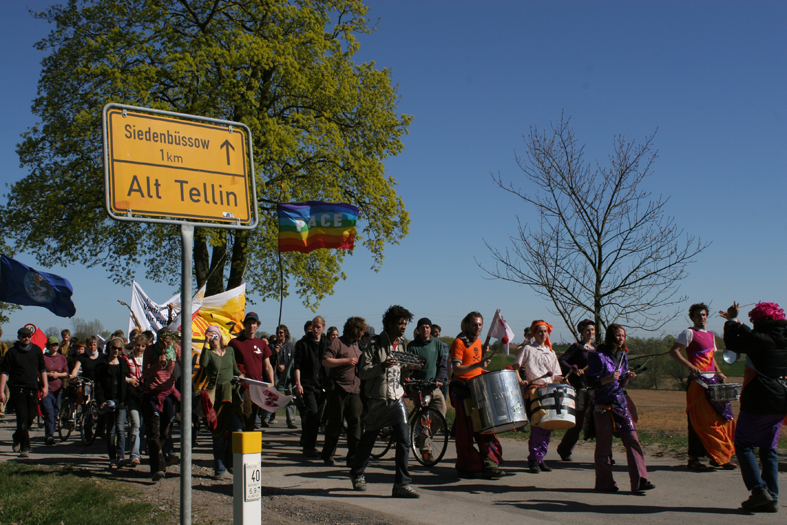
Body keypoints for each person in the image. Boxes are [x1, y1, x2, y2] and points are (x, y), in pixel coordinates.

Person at [722, 301, 787, 513]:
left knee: (743, 444)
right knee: (768, 448)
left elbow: (733, 342)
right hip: (781, 399)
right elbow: (750, 335)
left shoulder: (759, 339)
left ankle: (759, 491)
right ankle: (772, 497)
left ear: (758, 321)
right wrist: (736, 322)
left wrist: (732, 320)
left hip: (760, 398)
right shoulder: (782, 339)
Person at [350, 305, 420, 498]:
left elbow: (402, 371)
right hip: (378, 400)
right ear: (389, 324)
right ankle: (357, 473)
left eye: (405, 323)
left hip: (397, 397)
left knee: (404, 441)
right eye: (399, 323)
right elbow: (363, 372)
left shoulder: (403, 345)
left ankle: (401, 484)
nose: (403, 327)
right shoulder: (375, 344)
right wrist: (381, 366)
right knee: (369, 439)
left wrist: (410, 368)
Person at [587, 324, 654, 494]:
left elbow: (621, 383)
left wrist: (627, 378)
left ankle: (640, 480)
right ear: (610, 337)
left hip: (621, 404)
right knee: (604, 447)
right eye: (618, 335)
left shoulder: (623, 356)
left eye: (623, 336)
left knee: (633, 441)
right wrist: (608, 378)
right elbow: (590, 382)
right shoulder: (598, 356)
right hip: (603, 406)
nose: (621, 339)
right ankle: (605, 483)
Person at [669, 303, 736, 471]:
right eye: (698, 315)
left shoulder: (711, 336)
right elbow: (674, 351)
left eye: (704, 315)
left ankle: (717, 456)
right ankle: (694, 459)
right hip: (698, 383)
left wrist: (718, 372)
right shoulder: (689, 333)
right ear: (692, 317)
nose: (702, 318)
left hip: (713, 382)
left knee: (722, 418)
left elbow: (711, 358)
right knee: (699, 420)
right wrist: (690, 366)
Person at [450, 311, 506, 479]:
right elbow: (457, 370)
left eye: (480, 324)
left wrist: (485, 370)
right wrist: (478, 364)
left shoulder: (478, 342)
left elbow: (476, 367)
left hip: (478, 389)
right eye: (475, 324)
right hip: (462, 391)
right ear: (467, 325)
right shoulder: (459, 342)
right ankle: (467, 466)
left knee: (485, 428)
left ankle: (490, 464)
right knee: (465, 433)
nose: (478, 327)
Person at [515, 320, 565, 473]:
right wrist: (520, 380)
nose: (543, 334)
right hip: (534, 391)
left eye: (545, 331)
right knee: (537, 426)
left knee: (547, 426)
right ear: (534, 334)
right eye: (540, 332)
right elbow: (515, 367)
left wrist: (566, 379)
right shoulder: (528, 349)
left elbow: (555, 376)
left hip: (549, 391)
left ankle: (540, 457)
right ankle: (533, 459)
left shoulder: (551, 352)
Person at [200, 325, 244, 479]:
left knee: (237, 430)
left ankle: (230, 463)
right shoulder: (208, 353)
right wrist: (205, 344)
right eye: (209, 334)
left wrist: (241, 375)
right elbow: (203, 364)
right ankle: (219, 468)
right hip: (217, 397)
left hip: (232, 394)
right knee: (218, 434)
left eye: (214, 334)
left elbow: (234, 369)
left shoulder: (229, 351)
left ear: (219, 335)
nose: (213, 337)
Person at [321, 316, 365, 467]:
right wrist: (345, 361)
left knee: (355, 424)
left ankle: (353, 458)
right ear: (354, 329)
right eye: (361, 330)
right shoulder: (337, 343)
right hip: (338, 390)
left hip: (355, 390)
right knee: (335, 424)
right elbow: (326, 361)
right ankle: (328, 454)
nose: (362, 333)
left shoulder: (358, 345)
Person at [0, 326, 48, 457]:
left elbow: (42, 369)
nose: (26, 338)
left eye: (28, 336)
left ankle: (17, 436)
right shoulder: (12, 352)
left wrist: (45, 386)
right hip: (17, 389)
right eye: (24, 336)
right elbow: (4, 372)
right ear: (19, 337)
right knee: (21, 418)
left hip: (32, 388)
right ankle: (25, 447)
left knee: (30, 418)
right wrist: (1, 390)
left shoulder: (36, 350)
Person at [141, 329, 181, 481]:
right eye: (164, 340)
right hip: (151, 394)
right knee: (153, 432)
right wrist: (158, 365)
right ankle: (157, 468)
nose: (167, 343)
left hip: (168, 394)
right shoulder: (150, 350)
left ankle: (161, 458)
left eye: (169, 340)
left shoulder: (175, 348)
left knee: (165, 432)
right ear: (158, 339)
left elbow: (185, 366)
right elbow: (145, 373)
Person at [556, 319, 596, 461]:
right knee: (578, 421)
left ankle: (605, 454)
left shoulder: (597, 349)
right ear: (582, 332)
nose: (590, 332)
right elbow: (562, 360)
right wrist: (574, 370)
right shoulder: (577, 347)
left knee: (598, 420)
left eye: (592, 330)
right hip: (581, 388)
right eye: (587, 330)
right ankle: (565, 449)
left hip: (595, 388)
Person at [229, 312, 274, 431]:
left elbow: (268, 366)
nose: (251, 326)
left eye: (254, 323)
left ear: (257, 325)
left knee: (254, 414)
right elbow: (229, 363)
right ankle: (243, 437)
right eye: (249, 323)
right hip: (244, 385)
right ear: (244, 324)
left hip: (258, 385)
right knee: (247, 414)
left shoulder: (262, 344)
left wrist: (271, 383)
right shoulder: (235, 343)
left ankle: (247, 436)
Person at [293, 316, 328, 457]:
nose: (315, 329)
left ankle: (309, 444)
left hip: (322, 385)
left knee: (317, 417)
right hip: (307, 384)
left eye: (318, 327)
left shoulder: (327, 344)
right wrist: (298, 383)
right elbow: (297, 365)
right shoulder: (303, 344)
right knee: (312, 413)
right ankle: (308, 446)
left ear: (323, 328)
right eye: (314, 326)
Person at [95, 337, 129, 468]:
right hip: (107, 400)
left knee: (120, 428)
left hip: (120, 400)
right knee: (110, 430)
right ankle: (112, 457)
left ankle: (121, 456)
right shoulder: (101, 364)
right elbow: (98, 384)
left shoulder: (123, 362)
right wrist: (101, 400)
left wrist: (124, 399)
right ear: (109, 348)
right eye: (114, 348)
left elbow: (125, 382)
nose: (116, 350)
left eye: (119, 348)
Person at [407, 318, 448, 418]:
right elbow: (407, 367)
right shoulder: (412, 346)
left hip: (434, 386)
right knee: (423, 418)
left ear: (430, 329)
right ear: (418, 330)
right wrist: (412, 367)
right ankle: (421, 429)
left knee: (441, 415)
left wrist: (440, 379)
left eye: (427, 327)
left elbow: (443, 363)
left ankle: (434, 429)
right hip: (419, 388)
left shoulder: (437, 343)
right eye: (422, 327)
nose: (425, 330)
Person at [121, 333, 147, 467]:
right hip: (132, 396)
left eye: (143, 346)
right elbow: (121, 375)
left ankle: (142, 450)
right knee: (135, 424)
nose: (140, 348)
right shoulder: (126, 359)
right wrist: (129, 380)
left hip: (145, 395)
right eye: (138, 345)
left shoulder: (148, 359)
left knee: (144, 426)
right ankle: (134, 455)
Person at [269, 324, 297, 429]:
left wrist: (285, 366)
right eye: (278, 332)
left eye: (281, 332)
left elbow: (293, 360)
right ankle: (266, 418)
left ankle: (291, 421)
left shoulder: (291, 346)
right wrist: (273, 354)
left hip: (288, 377)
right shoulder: (272, 346)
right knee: (273, 397)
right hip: (276, 376)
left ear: (285, 333)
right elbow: (267, 361)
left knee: (290, 398)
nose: (279, 334)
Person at [42, 336, 68, 446]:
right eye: (53, 345)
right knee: (49, 412)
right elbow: (39, 372)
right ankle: (49, 435)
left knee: (55, 412)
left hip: (58, 390)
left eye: (56, 344)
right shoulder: (43, 358)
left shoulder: (62, 358)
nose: (55, 347)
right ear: (48, 346)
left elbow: (66, 372)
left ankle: (51, 431)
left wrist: (58, 375)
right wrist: (48, 374)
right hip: (47, 389)